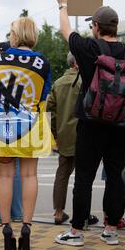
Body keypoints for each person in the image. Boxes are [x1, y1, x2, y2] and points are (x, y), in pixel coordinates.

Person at [55, 0, 125, 247]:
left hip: (91, 122)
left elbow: (65, 31)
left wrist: (62, 5)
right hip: (118, 124)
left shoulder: (91, 48)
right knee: (115, 175)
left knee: (84, 177)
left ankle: (76, 232)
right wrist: (121, 107)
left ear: (96, 27)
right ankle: (111, 230)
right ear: (115, 27)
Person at [0, 17, 53, 250]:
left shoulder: (1, 58)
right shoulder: (42, 61)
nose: (9, 35)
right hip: (29, 122)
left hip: (1, 124)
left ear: (16, 33)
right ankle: (27, 227)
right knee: (30, 174)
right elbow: (43, 95)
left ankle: (6, 227)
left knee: (5, 175)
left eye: (11, 31)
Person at [0, 42, 23, 224]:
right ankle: (16, 211)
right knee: (15, 169)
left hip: (0, 120)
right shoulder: (22, 70)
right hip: (19, 120)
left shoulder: (1, 70)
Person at [47, 53, 80, 225]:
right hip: (84, 134)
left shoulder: (58, 83)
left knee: (62, 174)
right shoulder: (86, 82)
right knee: (83, 176)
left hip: (64, 135)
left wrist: (55, 133)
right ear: (77, 63)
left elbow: (49, 110)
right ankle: (82, 215)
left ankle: (58, 212)